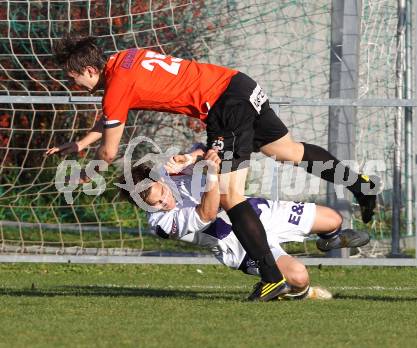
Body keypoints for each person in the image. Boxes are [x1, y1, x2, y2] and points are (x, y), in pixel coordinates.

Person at [48, 35, 379, 301]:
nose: (73, 83)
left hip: (224, 106)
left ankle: (270, 277)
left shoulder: (115, 87)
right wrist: (79, 144)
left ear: (88, 70)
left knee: (229, 196)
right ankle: (358, 185)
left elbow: (109, 151)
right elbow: (111, 113)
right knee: (288, 151)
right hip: (241, 85)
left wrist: (84, 171)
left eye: (73, 77)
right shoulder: (125, 59)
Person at [118, 147, 369, 300]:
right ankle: (297, 294)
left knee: (333, 219)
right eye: (156, 205)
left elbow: (204, 150)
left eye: (162, 196)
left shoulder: (166, 171)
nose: (165, 203)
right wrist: (213, 176)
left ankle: (330, 241)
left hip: (254, 212)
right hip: (239, 245)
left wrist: (192, 157)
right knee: (300, 277)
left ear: (159, 180)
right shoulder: (162, 224)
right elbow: (207, 213)